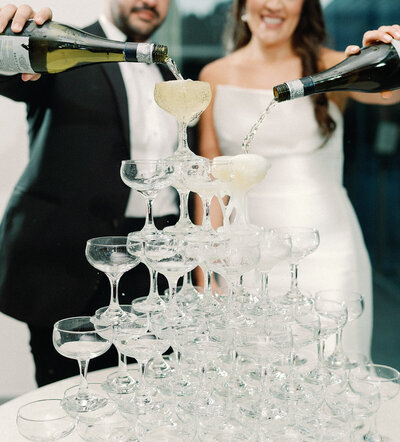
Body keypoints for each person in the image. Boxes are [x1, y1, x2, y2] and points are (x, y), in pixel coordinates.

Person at [198, 0, 400, 359]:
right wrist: (204, 274)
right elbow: (211, 188)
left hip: (326, 253)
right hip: (243, 259)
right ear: (243, 5)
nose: (274, 4)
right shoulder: (213, 76)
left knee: (331, 377)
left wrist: (393, 53)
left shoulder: (331, 65)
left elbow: (391, 94)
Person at [0, 1, 180, 386]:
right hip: (69, 266)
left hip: (153, 272)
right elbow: (9, 74)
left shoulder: (166, 69)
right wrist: (5, 41)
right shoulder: (61, 43)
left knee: (153, 394)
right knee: (74, 397)